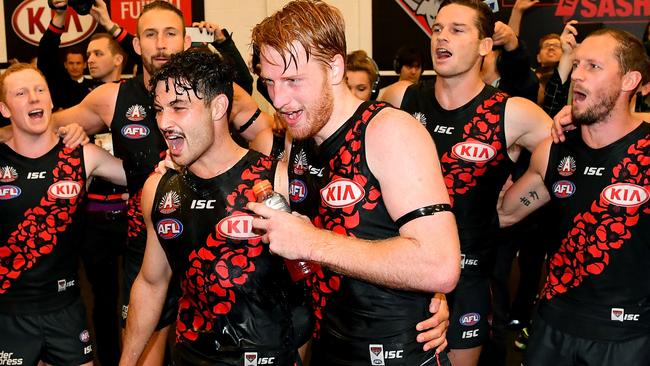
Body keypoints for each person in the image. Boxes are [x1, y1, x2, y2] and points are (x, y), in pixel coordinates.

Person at [36, 2, 272, 364]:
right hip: (150, 235)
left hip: (218, 234)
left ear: (184, 40)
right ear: (135, 44)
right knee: (147, 337)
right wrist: (67, 130)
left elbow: (266, 139)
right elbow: (45, 126)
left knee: (235, 334)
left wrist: (239, 186)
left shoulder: (220, 92)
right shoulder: (112, 97)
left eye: (170, 33)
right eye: (150, 34)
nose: (161, 44)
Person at [249, 1, 461, 365]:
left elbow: (440, 265)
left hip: (399, 354)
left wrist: (313, 242)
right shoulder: (298, 133)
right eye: (269, 82)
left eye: (292, 80)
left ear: (334, 67)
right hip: (330, 345)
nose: (279, 100)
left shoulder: (388, 131)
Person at [380, 1, 552, 365]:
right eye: (439, 28)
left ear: (484, 45)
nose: (442, 36)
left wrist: (514, 207)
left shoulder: (513, 112)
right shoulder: (400, 99)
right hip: (403, 275)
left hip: (471, 277)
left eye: (457, 30)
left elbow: (570, 160)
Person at [119, 49, 300, 366]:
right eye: (159, 110)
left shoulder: (276, 180)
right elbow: (152, 283)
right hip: (191, 357)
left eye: (178, 108)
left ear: (218, 107)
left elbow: (316, 283)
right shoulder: (159, 190)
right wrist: (127, 361)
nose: (164, 122)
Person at [498, 28, 650, 366]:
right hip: (553, 329)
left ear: (630, 81)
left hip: (628, 337)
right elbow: (503, 214)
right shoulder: (553, 150)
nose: (577, 74)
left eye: (593, 66)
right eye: (577, 64)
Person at [0, 63, 126, 366]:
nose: (33, 98)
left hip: (66, 309)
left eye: (39, 90)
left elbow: (145, 176)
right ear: (4, 109)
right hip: (8, 314)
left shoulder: (82, 155)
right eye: (21, 93)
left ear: (50, 100)